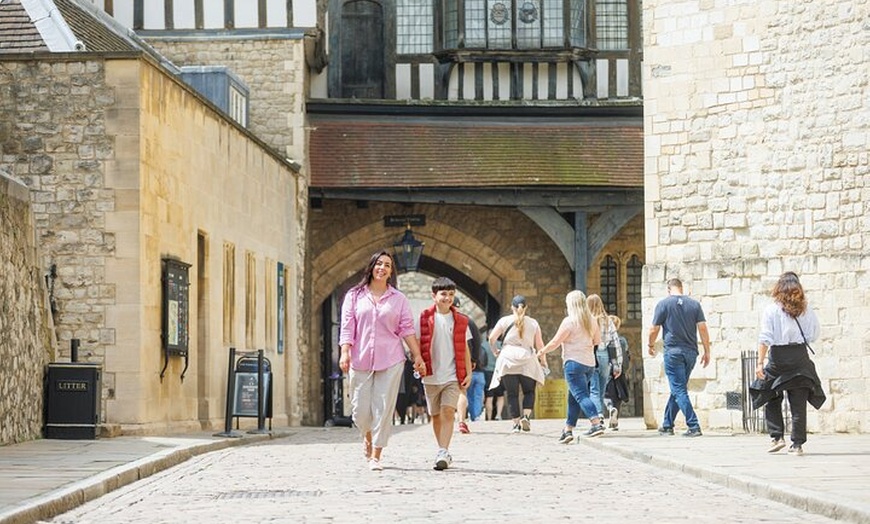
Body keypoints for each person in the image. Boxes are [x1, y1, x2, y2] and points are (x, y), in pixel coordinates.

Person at [339, 251, 426, 471]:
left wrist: (417, 355)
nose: (382, 268)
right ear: (371, 267)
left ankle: (376, 455)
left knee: (384, 408)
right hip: (359, 358)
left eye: (387, 265)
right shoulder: (354, 295)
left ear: (391, 271)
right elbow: (347, 326)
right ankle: (367, 434)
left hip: (391, 359)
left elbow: (406, 329)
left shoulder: (398, 299)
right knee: (360, 411)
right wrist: (345, 351)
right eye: (379, 263)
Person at [751, 272, 826, 456]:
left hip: (778, 358)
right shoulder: (807, 310)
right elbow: (814, 334)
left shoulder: (772, 310)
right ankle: (797, 445)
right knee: (798, 403)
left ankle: (777, 437)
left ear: (779, 288)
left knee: (768, 393)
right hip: (799, 357)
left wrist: (760, 363)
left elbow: (765, 338)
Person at [417, 277, 472, 470]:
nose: (447, 298)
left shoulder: (461, 320)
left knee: (448, 411)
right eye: (443, 294)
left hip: (452, 375)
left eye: (451, 294)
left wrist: (468, 372)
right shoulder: (424, 318)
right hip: (431, 375)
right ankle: (441, 448)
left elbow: (464, 348)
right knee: (435, 415)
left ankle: (443, 451)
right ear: (434, 296)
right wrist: (418, 360)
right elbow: (417, 343)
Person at [538, 290, 606, 442]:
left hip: (573, 363)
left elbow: (555, 342)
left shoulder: (569, 322)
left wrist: (541, 351)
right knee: (573, 398)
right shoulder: (592, 320)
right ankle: (568, 430)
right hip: (589, 364)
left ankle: (596, 423)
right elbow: (597, 341)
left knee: (581, 396)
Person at [647, 278, 711, 437]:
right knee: (678, 389)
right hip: (691, 353)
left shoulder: (663, 304)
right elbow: (703, 328)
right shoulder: (694, 304)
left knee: (679, 389)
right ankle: (667, 425)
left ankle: (693, 425)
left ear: (669, 289)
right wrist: (707, 350)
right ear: (682, 288)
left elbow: (654, 329)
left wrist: (650, 345)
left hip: (673, 352)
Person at [488, 295, 547, 433]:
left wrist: (495, 351)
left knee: (512, 394)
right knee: (529, 391)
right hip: (527, 359)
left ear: (511, 307)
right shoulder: (533, 323)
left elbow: (491, 338)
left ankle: (515, 424)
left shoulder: (504, 321)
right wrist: (543, 362)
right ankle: (525, 416)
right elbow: (540, 345)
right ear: (526, 307)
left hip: (508, 359)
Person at [586, 294, 623, 423]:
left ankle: (599, 414)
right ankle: (604, 411)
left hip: (592, 354)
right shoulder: (608, 321)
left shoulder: (587, 321)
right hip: (605, 356)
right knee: (601, 389)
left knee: (594, 389)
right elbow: (615, 342)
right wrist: (618, 364)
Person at [455, 299, 485, 434]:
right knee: (463, 391)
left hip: (446, 362)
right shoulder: (468, 321)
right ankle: (463, 420)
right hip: (463, 360)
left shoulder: (439, 319)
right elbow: (477, 342)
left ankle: (444, 420)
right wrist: (474, 360)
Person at [604, 315, 630, 430]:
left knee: (606, 394)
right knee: (617, 396)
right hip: (620, 371)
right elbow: (627, 356)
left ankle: (610, 408)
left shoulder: (604, 340)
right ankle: (614, 422)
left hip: (608, 370)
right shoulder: (622, 340)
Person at [481, 326, 506, 420]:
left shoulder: (483, 345)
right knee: (500, 395)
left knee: (489, 397)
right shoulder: (501, 345)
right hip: (499, 372)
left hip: (487, 373)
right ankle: (498, 415)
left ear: (488, 335)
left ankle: (489, 416)